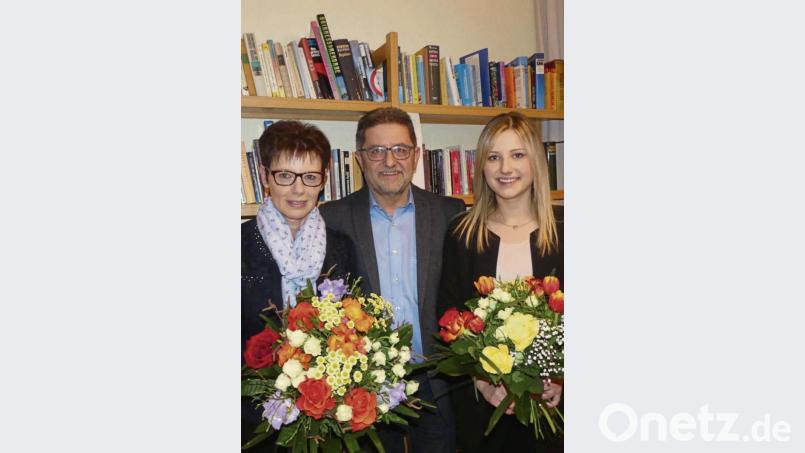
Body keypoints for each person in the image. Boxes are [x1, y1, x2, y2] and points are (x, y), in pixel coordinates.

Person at [319, 107, 465, 453]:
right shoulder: (330, 218)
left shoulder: (450, 213)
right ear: (359, 158)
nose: (389, 161)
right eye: (376, 151)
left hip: (434, 379)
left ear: (416, 156)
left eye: (400, 149)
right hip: (365, 384)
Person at [437, 112, 564, 453]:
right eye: (494, 157)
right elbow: (448, 320)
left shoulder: (566, 234)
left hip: (555, 415)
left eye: (517, 155)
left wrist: (562, 382)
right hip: (483, 415)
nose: (505, 168)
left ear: (536, 162)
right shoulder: (461, 235)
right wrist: (482, 382)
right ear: (482, 167)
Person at [241, 120, 356, 451]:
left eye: (310, 177)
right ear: (265, 176)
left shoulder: (341, 247)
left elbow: (352, 330)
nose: (298, 189)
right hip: (250, 422)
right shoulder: (239, 245)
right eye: (285, 175)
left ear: (323, 180)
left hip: (326, 419)